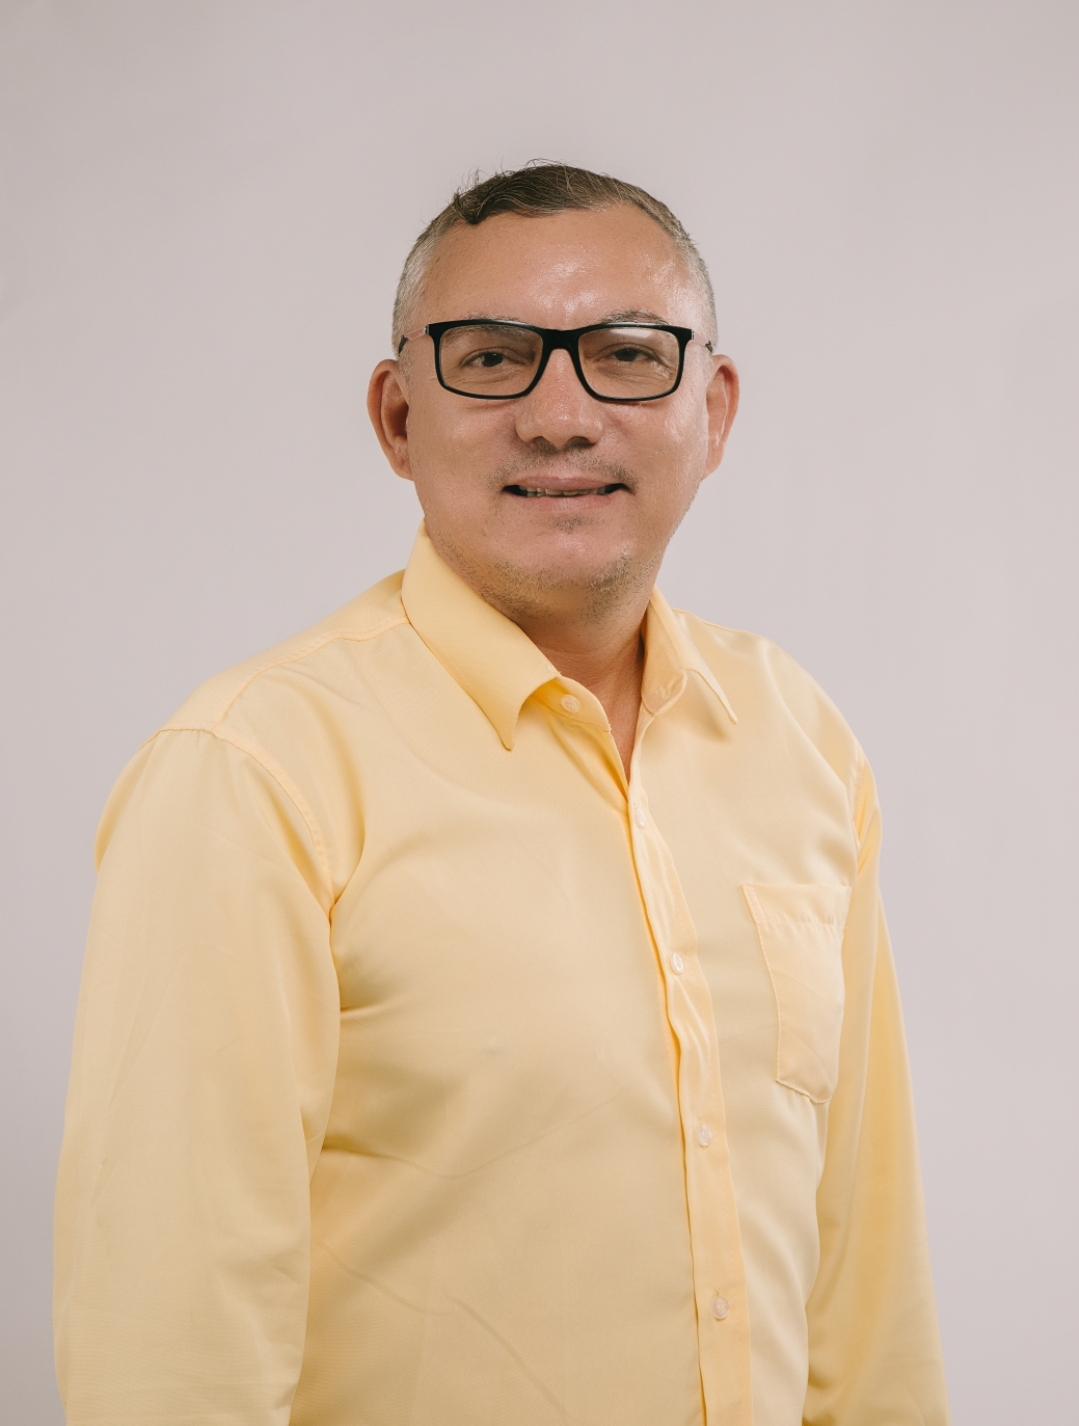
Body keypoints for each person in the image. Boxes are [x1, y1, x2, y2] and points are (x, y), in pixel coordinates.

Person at [54, 163, 950, 1426]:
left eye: (626, 356)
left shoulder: (796, 741)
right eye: (491, 359)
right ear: (396, 417)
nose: (559, 416)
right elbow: (169, 1340)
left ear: (712, 409)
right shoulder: (256, 769)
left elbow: (865, 1276)